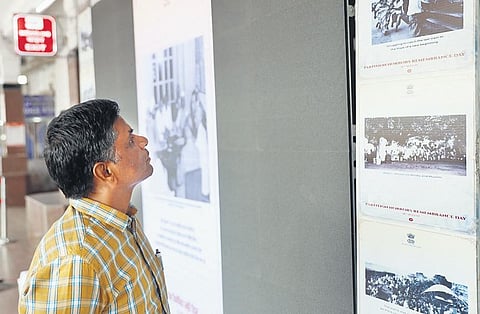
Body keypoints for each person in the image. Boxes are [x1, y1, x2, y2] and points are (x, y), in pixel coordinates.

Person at [18, 99, 170, 313]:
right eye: (130, 140)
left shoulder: (122, 222)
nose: (143, 141)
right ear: (105, 172)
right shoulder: (75, 260)